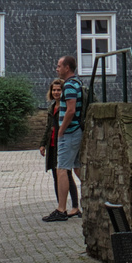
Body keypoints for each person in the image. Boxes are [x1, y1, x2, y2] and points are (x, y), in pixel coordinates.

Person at [43, 56, 83, 222]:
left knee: (62, 170)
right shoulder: (77, 83)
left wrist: (61, 131)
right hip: (75, 132)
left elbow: (71, 110)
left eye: (59, 66)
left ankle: (61, 209)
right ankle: (86, 201)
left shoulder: (69, 86)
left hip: (70, 133)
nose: (57, 68)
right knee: (77, 168)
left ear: (67, 67)